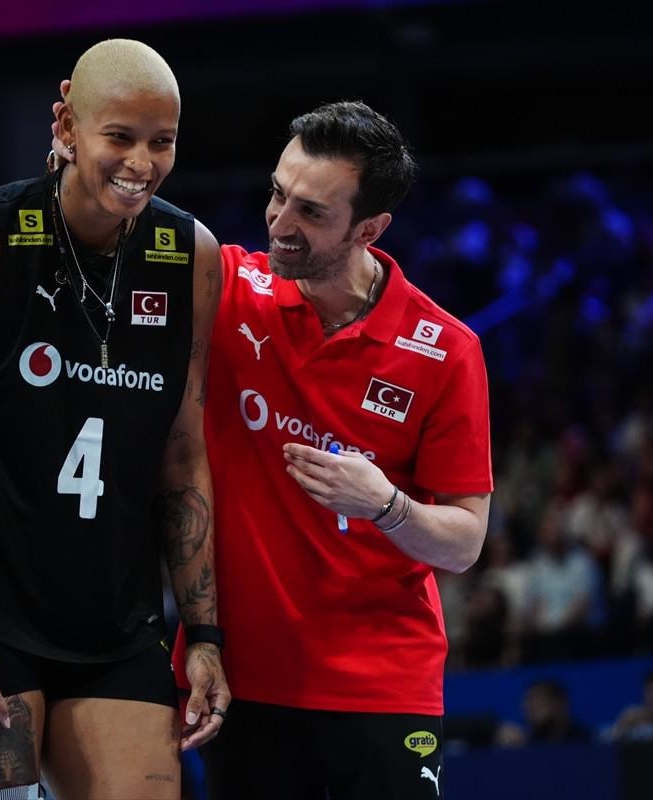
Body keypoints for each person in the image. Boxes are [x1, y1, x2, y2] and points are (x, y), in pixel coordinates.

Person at [54, 96, 491, 799]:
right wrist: (76, 157)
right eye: (277, 195)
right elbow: (99, 233)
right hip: (242, 680)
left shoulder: (446, 351)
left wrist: (385, 504)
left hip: (384, 684)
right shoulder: (227, 286)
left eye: (311, 212)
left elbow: (465, 542)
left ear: (370, 228)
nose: (280, 224)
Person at [0, 39, 228, 800]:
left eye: (162, 141)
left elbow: (182, 455)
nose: (142, 163)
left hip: (114, 624)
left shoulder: (190, 256)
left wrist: (204, 633)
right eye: (119, 136)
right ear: (66, 126)